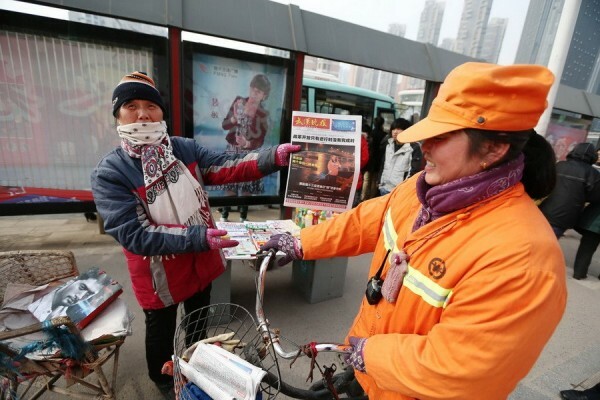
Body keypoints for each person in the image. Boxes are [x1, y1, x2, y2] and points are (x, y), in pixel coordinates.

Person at [260, 62, 567, 399]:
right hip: (370, 375)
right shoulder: (421, 190)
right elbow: (365, 220)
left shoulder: (523, 258)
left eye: (442, 136)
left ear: (494, 148)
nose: (425, 147)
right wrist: (300, 242)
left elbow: (461, 368)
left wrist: (370, 356)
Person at [90, 71, 299, 397]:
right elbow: (135, 234)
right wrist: (198, 238)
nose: (143, 113)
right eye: (131, 106)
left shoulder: (183, 149)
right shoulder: (111, 172)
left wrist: (272, 157)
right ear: (117, 114)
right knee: (160, 330)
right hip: (159, 274)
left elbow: (226, 164)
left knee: (198, 321)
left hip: (201, 261)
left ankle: (196, 364)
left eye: (151, 105)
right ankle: (163, 380)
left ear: (162, 112)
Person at [219, 73, 271, 222]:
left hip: (250, 153)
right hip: (232, 150)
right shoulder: (238, 102)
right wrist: (234, 117)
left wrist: (247, 144)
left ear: (264, 95)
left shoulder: (263, 114)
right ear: (249, 88)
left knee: (247, 187)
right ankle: (224, 215)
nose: (255, 93)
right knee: (230, 183)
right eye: (253, 88)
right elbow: (224, 125)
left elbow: (260, 140)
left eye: (259, 91)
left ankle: (243, 217)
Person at [539, 142, 600, 238]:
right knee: (548, 242)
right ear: (593, 156)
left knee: (533, 239)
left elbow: (545, 183)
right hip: (566, 216)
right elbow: (595, 197)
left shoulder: (560, 165)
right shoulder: (593, 174)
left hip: (544, 210)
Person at [28, 268, 105, 321]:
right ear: (72, 281)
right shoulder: (36, 296)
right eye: (82, 287)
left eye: (88, 294)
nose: (79, 296)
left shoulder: (63, 321)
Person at [378, 118, 423, 195]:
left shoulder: (413, 147)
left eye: (399, 129)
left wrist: (404, 189)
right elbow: (383, 164)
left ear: (406, 130)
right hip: (384, 188)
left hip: (399, 191)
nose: (395, 132)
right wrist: (379, 182)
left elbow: (414, 171)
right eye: (393, 129)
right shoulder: (389, 144)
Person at [362, 116, 386, 200]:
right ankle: (371, 198)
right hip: (378, 160)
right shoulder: (384, 135)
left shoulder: (371, 133)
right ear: (382, 124)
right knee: (374, 180)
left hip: (370, 159)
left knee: (366, 179)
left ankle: (363, 197)